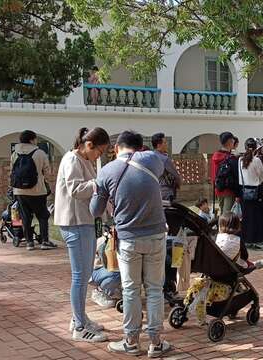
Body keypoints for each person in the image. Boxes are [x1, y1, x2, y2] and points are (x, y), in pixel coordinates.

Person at [90, 131, 171, 358]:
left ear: (116, 148)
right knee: (155, 289)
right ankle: (156, 343)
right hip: (156, 234)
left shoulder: (106, 171)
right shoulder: (153, 160)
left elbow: (95, 211)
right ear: (140, 147)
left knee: (131, 290)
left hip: (128, 238)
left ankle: (131, 341)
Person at [54, 127, 110, 342]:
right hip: (75, 223)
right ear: (89, 145)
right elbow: (76, 190)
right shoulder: (72, 160)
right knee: (80, 276)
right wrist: (99, 183)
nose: (99, 156)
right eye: (99, 151)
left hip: (84, 222)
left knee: (83, 275)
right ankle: (79, 326)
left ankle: (80, 318)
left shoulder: (84, 160)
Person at [11, 130, 56, 251]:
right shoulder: (40, 153)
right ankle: (44, 241)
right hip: (37, 190)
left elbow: (13, 171)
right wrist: (44, 179)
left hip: (19, 191)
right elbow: (47, 171)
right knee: (42, 215)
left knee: (25, 217)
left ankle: (29, 243)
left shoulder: (15, 153)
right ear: (32, 140)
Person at [238, 138, 263, 249]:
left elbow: (240, 177)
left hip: (244, 190)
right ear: (256, 148)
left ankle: (247, 239)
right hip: (256, 190)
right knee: (258, 216)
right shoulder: (256, 160)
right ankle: (258, 240)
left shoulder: (240, 160)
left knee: (246, 217)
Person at [89, 233, 122, 309]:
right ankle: (99, 291)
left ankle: (115, 291)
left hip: (104, 270)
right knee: (117, 272)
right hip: (94, 271)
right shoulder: (104, 239)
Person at [211, 132, 238, 213]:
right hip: (229, 189)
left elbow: (213, 174)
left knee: (222, 212)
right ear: (229, 141)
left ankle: (221, 226)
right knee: (227, 215)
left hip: (219, 188)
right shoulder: (231, 157)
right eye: (233, 140)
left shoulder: (215, 155)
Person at [151, 133, 182, 201]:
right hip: (166, 191)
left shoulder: (150, 157)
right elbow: (175, 175)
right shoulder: (165, 159)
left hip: (153, 191)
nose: (166, 144)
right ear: (159, 145)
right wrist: (179, 184)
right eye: (164, 143)